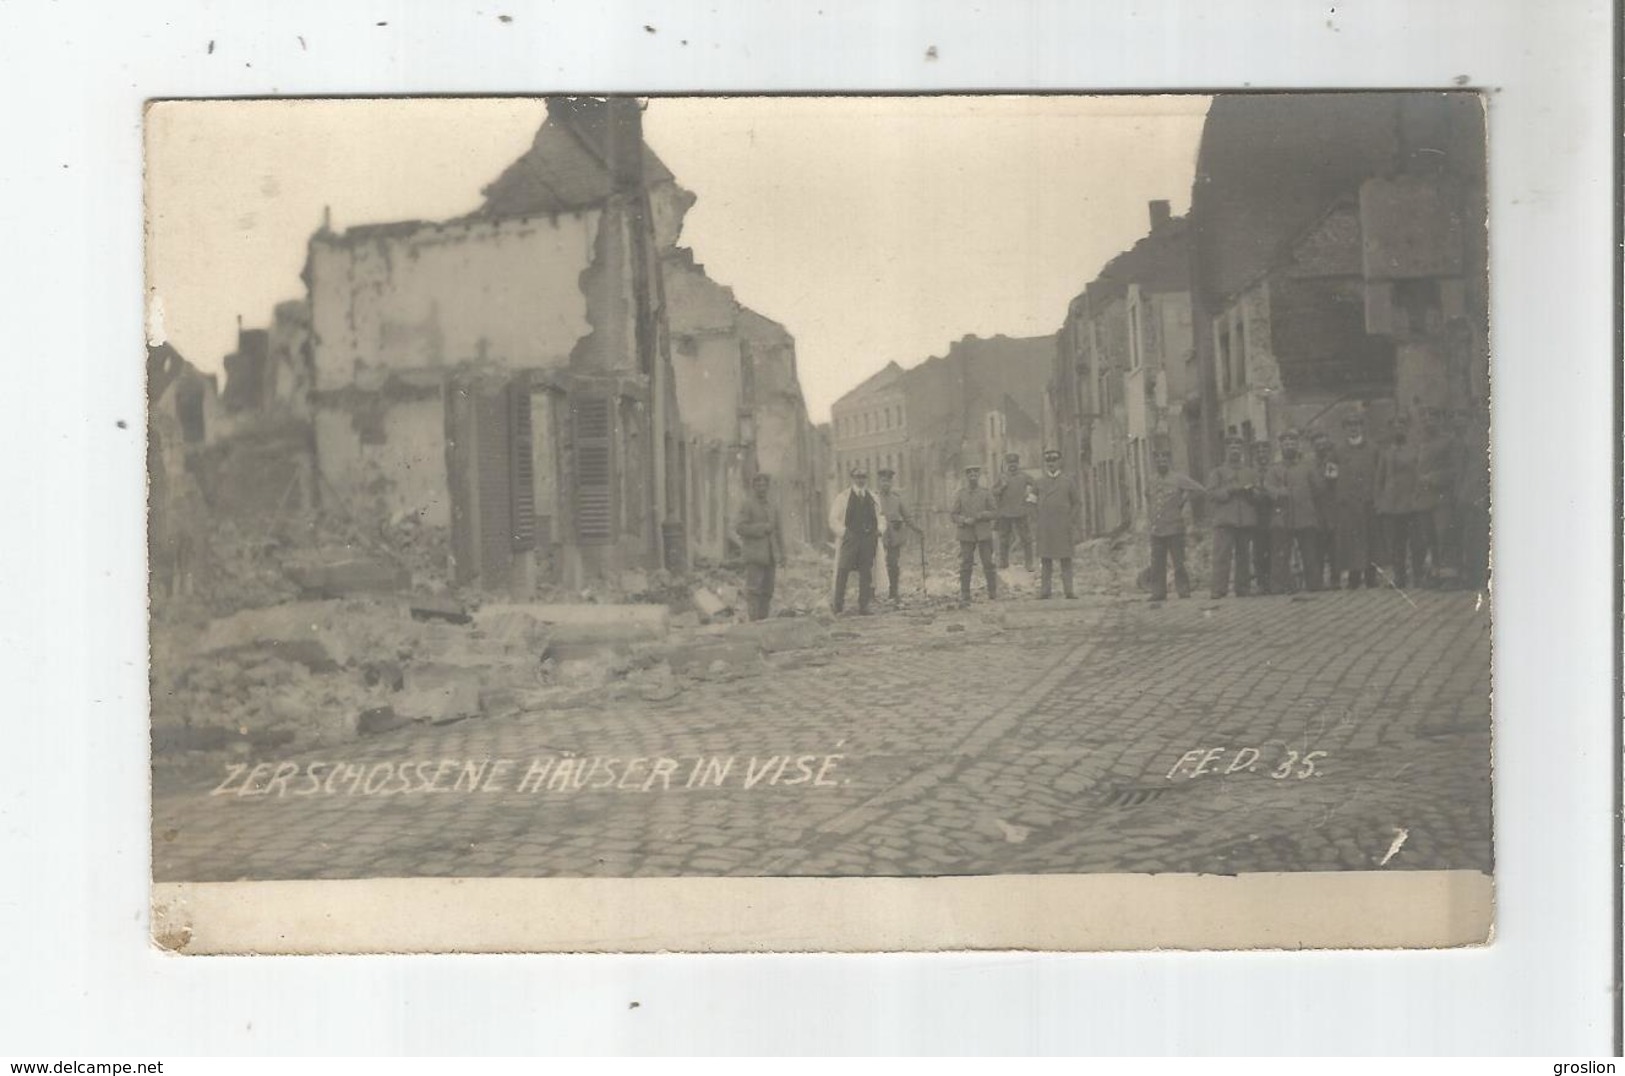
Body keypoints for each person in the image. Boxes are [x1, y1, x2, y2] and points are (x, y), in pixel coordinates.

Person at [1264, 428, 1327, 593]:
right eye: (1286, 443)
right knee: (1280, 555)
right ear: (1281, 446)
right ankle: (1279, 586)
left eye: (1293, 443)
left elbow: (1319, 489)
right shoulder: (1274, 469)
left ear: (1297, 445)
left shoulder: (1307, 467)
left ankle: (1314, 585)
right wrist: (1279, 493)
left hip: (1305, 516)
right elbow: (1268, 488)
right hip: (1282, 518)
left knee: (1309, 554)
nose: (1289, 446)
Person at [1144, 446, 1205, 601]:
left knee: (1178, 562)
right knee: (1157, 563)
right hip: (1157, 528)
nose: (1161, 462)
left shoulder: (1178, 478)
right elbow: (1148, 497)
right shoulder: (1151, 480)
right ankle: (1158, 592)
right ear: (1155, 462)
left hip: (1175, 527)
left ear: (1169, 461)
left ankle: (1183, 590)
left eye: (1164, 459)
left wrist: (1184, 500)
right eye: (1158, 460)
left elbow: (1199, 489)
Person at [1375, 413, 1428, 588]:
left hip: (1411, 503)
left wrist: (1418, 497)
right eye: (1394, 425)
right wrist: (1380, 502)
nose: (1398, 427)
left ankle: (1418, 575)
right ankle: (1400, 577)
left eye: (1402, 424)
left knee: (1416, 542)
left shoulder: (1416, 449)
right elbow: (1380, 479)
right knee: (1396, 544)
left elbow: (1420, 474)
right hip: (1391, 505)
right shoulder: (1386, 452)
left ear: (1407, 427)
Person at [1329, 412, 1380, 588]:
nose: (1353, 428)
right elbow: (1331, 476)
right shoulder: (1337, 451)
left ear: (1362, 427)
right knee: (1352, 541)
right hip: (1348, 505)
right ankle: (1354, 576)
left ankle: (1371, 576)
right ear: (1345, 428)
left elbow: (1380, 473)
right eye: (1350, 425)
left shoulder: (1373, 449)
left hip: (1368, 502)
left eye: (1357, 424)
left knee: (1371, 539)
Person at [828, 464, 887, 615]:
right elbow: (833, 519)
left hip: (868, 539)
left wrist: (879, 530)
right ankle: (838, 605)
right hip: (851, 539)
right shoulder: (843, 497)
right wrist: (844, 533)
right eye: (858, 477)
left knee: (866, 572)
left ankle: (864, 605)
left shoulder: (873, 497)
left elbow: (881, 516)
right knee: (843, 570)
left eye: (864, 477)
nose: (861, 480)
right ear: (852, 478)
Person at [1205, 434, 1258, 598]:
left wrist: (1250, 493)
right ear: (1226, 450)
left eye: (1238, 448)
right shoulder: (1218, 472)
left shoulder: (1250, 472)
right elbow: (1211, 494)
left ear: (1241, 451)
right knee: (1222, 556)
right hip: (1225, 520)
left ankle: (1243, 588)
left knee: (1244, 556)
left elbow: (1256, 493)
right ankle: (1219, 589)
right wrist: (1229, 490)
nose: (1235, 451)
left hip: (1245, 520)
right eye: (1231, 448)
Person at [1417, 405, 1461, 588]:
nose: (1428, 421)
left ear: (1440, 420)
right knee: (1430, 537)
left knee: (1444, 536)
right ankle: (1435, 574)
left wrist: (1433, 478)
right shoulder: (1421, 443)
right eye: (1425, 417)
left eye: (1433, 417)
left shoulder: (1449, 442)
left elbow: (1455, 469)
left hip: (1442, 497)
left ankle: (1449, 576)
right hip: (1424, 498)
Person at [734, 472, 785, 621]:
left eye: (764, 485)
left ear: (768, 487)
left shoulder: (773, 505)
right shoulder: (748, 504)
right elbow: (740, 527)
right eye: (758, 485)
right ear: (753, 487)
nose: (761, 488)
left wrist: (783, 554)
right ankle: (754, 622)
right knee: (754, 590)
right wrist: (761, 528)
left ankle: (763, 621)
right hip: (755, 554)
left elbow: (779, 531)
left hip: (770, 555)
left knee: (768, 591)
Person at [1032, 448, 1081, 599]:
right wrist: (1037, 519)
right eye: (1048, 461)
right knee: (1046, 560)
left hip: (1062, 526)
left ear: (1060, 462)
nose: (1051, 463)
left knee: (1065, 558)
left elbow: (1077, 503)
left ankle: (1069, 590)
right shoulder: (1039, 482)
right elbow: (1030, 503)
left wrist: (1070, 519)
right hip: (1045, 526)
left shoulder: (1068, 482)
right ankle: (1045, 591)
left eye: (1054, 460)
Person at [950, 464, 999, 605]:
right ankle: (965, 593)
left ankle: (992, 591)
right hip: (966, 534)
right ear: (966, 476)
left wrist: (981, 515)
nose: (973, 476)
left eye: (975, 473)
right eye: (969, 473)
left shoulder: (986, 493)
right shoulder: (961, 494)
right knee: (966, 563)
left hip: (983, 533)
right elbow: (953, 514)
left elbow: (995, 512)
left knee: (988, 563)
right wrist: (964, 520)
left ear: (979, 475)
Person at [1454, 403, 1491, 590]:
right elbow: (1462, 468)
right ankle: (1475, 576)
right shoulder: (1470, 436)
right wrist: (1463, 492)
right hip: (1471, 494)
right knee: (1473, 537)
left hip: (1489, 493)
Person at [875, 468, 916, 603]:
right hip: (877, 537)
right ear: (879, 482)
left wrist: (917, 529)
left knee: (893, 564)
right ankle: (871, 594)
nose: (885, 484)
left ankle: (893, 592)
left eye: (888, 481)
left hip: (893, 537)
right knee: (874, 565)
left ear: (891, 483)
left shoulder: (897, 499)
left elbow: (907, 517)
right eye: (883, 481)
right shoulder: (874, 498)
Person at [992, 452, 1036, 572]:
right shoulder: (1002, 477)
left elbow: (1036, 487)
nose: (1012, 466)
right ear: (1007, 464)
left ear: (1018, 464)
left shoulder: (1024, 476)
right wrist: (1002, 487)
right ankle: (1003, 562)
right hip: (1005, 512)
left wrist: (1030, 499)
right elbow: (993, 492)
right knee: (1004, 538)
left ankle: (1029, 563)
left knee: (1026, 538)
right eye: (1010, 463)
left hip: (1021, 511)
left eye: (1014, 463)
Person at [1309, 430, 1339, 589]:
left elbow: (1333, 483)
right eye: (1317, 443)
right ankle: (1317, 580)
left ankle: (1335, 579)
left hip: (1332, 508)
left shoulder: (1332, 461)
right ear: (1313, 445)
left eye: (1323, 442)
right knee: (1317, 547)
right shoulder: (1309, 463)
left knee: (1334, 547)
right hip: (1315, 509)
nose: (1320, 446)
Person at [1249, 438, 1275, 595]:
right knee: (1259, 549)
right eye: (1258, 452)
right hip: (1257, 514)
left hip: (1274, 513)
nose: (1261, 455)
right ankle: (1261, 582)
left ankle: (1274, 580)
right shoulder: (1251, 473)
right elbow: (1247, 491)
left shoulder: (1275, 470)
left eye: (1264, 451)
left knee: (1275, 547)